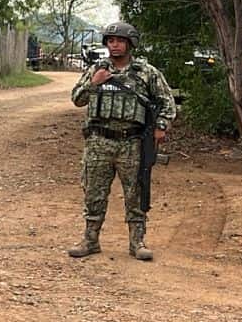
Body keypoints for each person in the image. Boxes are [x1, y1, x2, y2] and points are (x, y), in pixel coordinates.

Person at [67, 21, 177, 261]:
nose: (114, 45)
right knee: (94, 194)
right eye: (110, 41)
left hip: (131, 142)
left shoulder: (145, 73)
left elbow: (167, 102)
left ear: (130, 44)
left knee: (135, 194)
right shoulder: (97, 69)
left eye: (119, 41)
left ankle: (137, 243)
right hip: (98, 141)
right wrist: (94, 82)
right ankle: (90, 239)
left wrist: (160, 126)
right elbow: (77, 98)